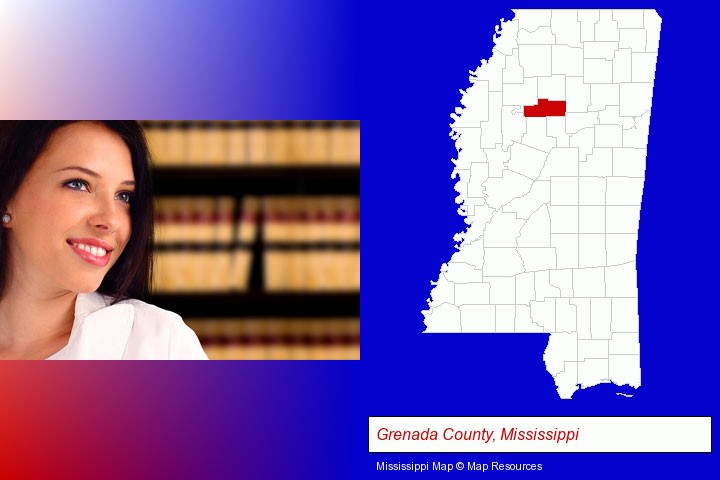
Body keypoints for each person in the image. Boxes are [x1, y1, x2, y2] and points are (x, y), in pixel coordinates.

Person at [0, 121, 207, 359]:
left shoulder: (160, 345)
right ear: (7, 197)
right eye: (78, 184)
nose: (111, 220)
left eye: (124, 196)